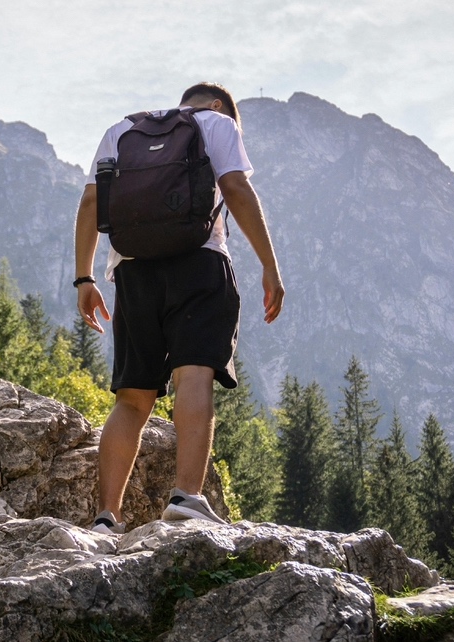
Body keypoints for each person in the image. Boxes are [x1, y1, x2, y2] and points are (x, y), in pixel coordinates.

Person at [73, 82, 284, 535]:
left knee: (132, 398)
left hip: (131, 271)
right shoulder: (216, 122)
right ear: (215, 105)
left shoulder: (121, 130)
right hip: (200, 261)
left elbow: (91, 201)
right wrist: (270, 266)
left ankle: (106, 518)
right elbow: (235, 186)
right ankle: (186, 497)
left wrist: (85, 278)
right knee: (194, 374)